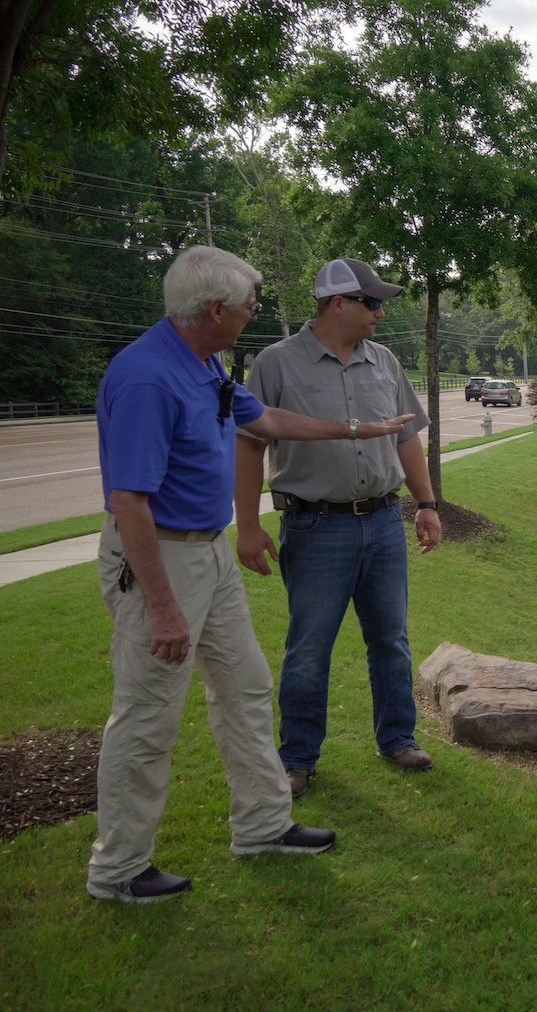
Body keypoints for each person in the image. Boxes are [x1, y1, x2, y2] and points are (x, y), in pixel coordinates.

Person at [90, 245, 414, 904]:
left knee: (245, 687)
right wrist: (162, 606)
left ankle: (263, 826)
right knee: (148, 714)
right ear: (216, 309)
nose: (254, 313)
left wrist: (361, 426)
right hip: (162, 558)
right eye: (248, 305)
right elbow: (129, 502)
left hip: (208, 552)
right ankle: (118, 868)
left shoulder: (204, 364)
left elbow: (265, 420)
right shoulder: (149, 377)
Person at [233, 258, 440, 800]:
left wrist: (426, 503)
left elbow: (406, 438)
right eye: (370, 302)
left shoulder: (385, 362)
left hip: (383, 521)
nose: (379, 311)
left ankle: (397, 738)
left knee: (391, 641)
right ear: (337, 303)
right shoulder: (276, 364)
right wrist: (249, 526)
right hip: (315, 527)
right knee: (308, 649)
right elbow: (250, 445)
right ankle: (297, 758)